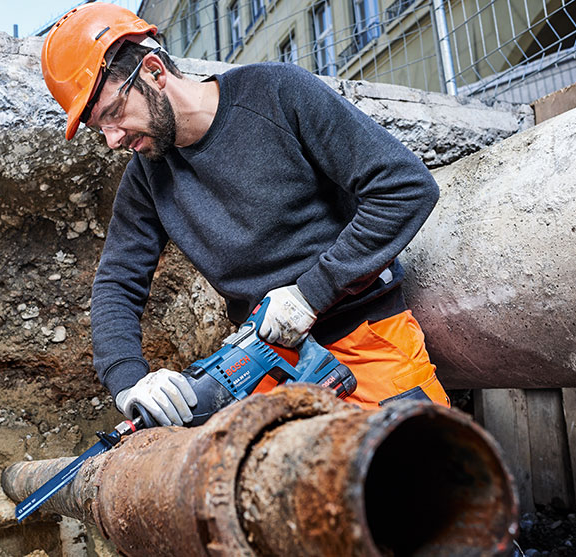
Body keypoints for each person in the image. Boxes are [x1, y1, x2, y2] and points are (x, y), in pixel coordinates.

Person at [40, 3, 450, 427]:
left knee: (427, 470)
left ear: (154, 72)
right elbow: (116, 283)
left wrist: (312, 293)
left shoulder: (277, 94)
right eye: (97, 127)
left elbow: (405, 188)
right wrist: (130, 381)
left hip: (366, 336)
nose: (111, 139)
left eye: (113, 114)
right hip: (265, 359)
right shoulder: (147, 177)